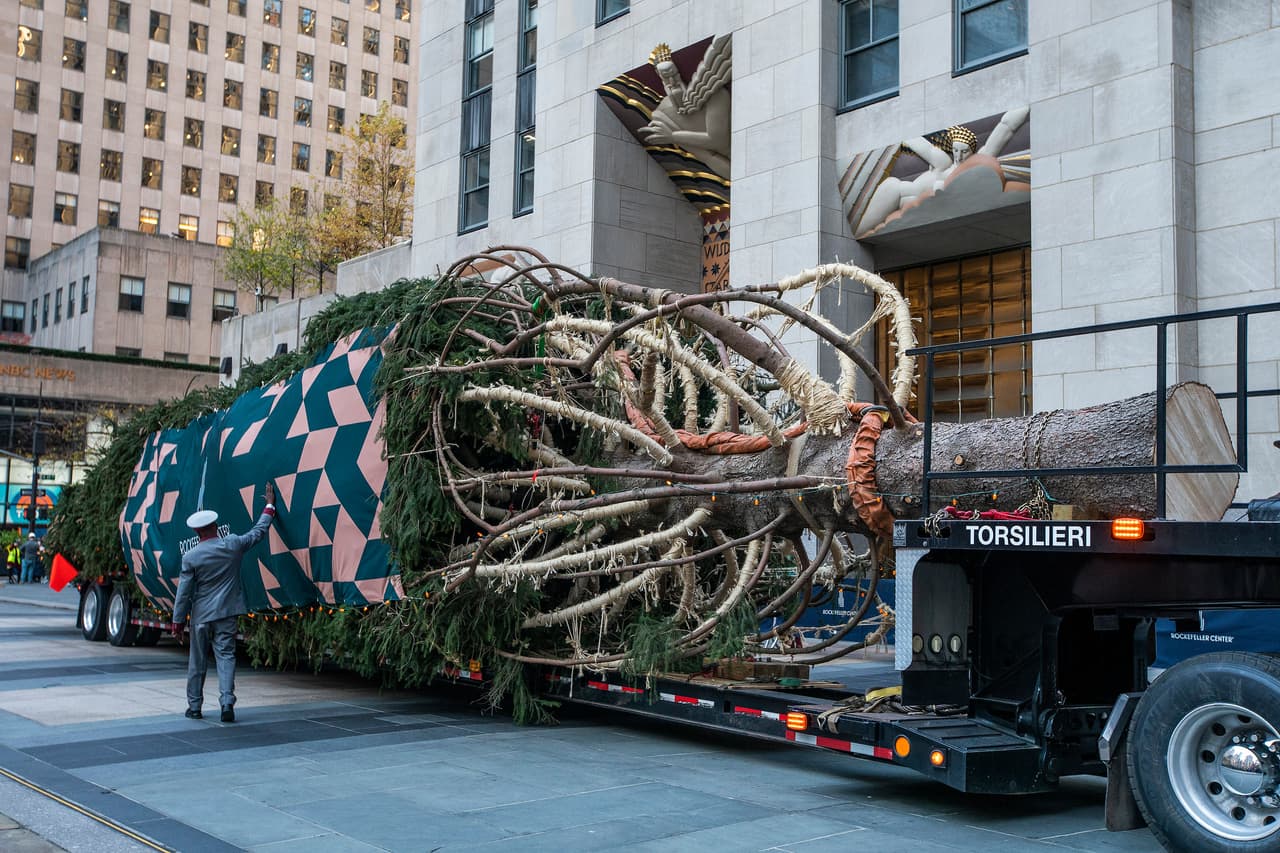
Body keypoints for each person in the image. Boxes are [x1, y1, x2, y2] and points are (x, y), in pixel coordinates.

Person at [172, 482, 276, 722]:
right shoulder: (232, 545)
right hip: (228, 612)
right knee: (226, 656)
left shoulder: (191, 557)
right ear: (216, 527)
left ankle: (195, 707)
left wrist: (177, 621)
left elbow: (184, 593)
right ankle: (227, 703)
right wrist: (269, 506)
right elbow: (258, 532)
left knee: (197, 661)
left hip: (201, 616)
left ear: (197, 533)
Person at [859, 105, 1031, 234]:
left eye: (964, 151)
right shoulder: (942, 161)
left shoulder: (972, 166)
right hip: (896, 192)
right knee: (863, 226)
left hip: (913, 203)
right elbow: (921, 146)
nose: (959, 155)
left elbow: (1004, 129)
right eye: (956, 150)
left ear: (972, 151)